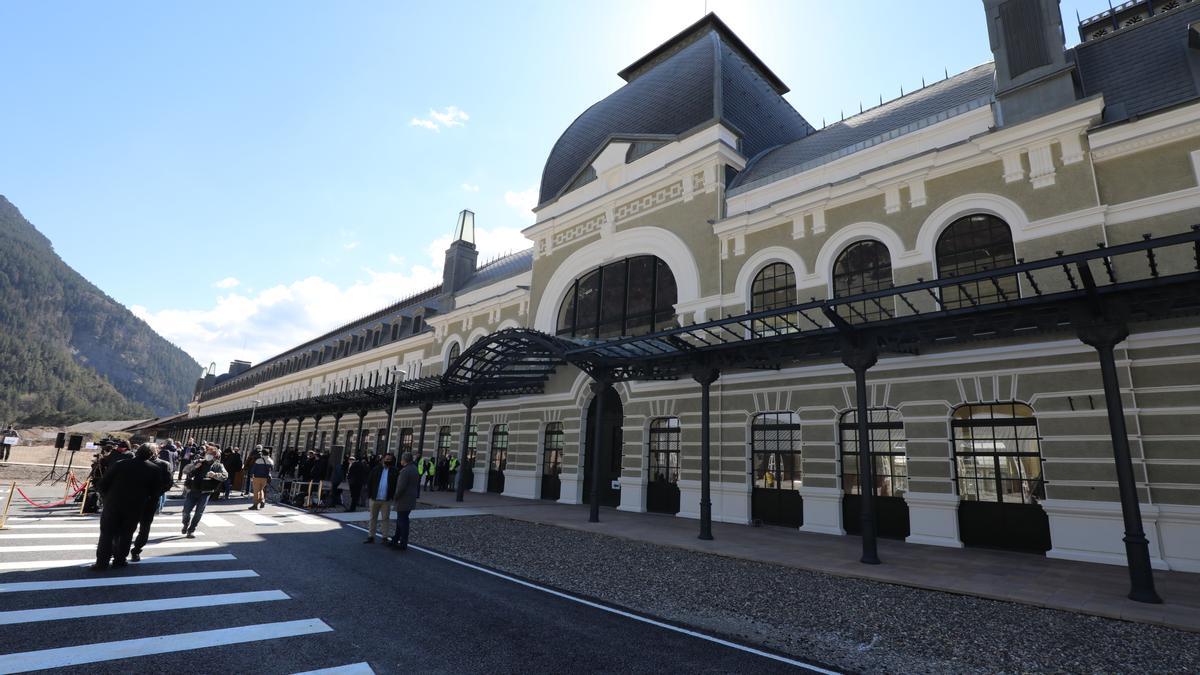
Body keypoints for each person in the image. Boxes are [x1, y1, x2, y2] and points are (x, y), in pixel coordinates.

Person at [93, 443, 164, 570]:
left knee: (107, 534)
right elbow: (155, 494)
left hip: (113, 504)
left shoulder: (120, 464)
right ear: (151, 455)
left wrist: (106, 499)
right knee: (126, 534)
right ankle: (120, 560)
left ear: (136, 452)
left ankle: (102, 563)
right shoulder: (154, 469)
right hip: (135, 507)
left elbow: (102, 484)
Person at [130, 444, 175, 562]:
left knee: (142, 528)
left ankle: (136, 550)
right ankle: (128, 550)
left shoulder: (163, 464)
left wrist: (156, 494)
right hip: (137, 500)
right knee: (133, 527)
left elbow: (168, 483)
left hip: (148, 501)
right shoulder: (135, 462)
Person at [181, 445, 227, 538]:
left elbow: (225, 476)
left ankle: (191, 530)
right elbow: (185, 471)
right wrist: (194, 466)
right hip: (193, 490)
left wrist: (215, 475)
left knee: (199, 513)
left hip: (206, 492)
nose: (208, 455)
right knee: (186, 511)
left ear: (215, 456)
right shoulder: (199, 462)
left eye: (211, 454)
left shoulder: (218, 465)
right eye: (207, 453)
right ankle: (186, 523)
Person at [387, 452, 420, 550]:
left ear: (404, 460)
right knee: (401, 520)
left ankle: (403, 542)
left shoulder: (405, 471)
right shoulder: (414, 469)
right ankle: (396, 539)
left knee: (402, 521)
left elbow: (400, 487)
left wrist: (395, 497)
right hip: (410, 498)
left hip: (403, 499)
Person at [363, 454, 397, 543]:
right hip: (374, 498)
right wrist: (369, 495)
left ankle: (384, 537)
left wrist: (392, 496)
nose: (388, 461)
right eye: (387, 459)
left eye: (390, 459)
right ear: (382, 460)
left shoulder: (394, 471)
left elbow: (395, 485)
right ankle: (371, 537)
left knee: (385, 519)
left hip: (386, 499)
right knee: (373, 518)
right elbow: (369, 482)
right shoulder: (376, 469)